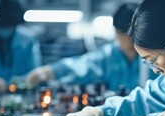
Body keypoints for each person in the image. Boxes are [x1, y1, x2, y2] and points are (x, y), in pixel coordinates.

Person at [26, 3, 155, 92]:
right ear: (116, 32)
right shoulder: (109, 56)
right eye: (124, 34)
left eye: (133, 35)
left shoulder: (155, 57)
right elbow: (83, 65)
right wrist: (51, 71)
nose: (129, 41)